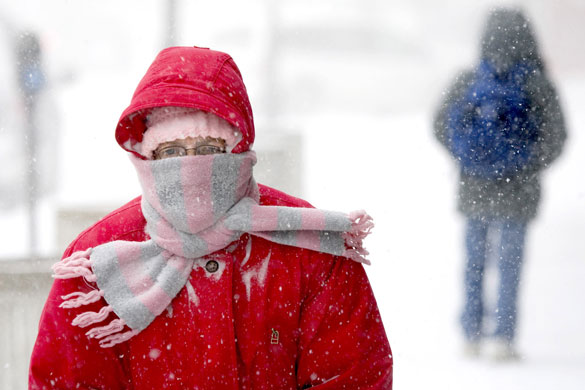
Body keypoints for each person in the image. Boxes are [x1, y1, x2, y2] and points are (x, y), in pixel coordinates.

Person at [29, 46, 393, 389]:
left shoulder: (306, 242)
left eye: (208, 149)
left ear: (238, 149)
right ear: (147, 158)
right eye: (171, 151)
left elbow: (354, 375)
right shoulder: (99, 261)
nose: (190, 165)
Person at [433, 8, 566, 360]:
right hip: (518, 191)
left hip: (474, 187)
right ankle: (502, 338)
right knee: (510, 262)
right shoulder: (537, 83)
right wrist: (525, 163)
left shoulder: (469, 79)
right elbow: (557, 136)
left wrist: (470, 156)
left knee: (475, 259)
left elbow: (439, 124)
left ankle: (471, 333)